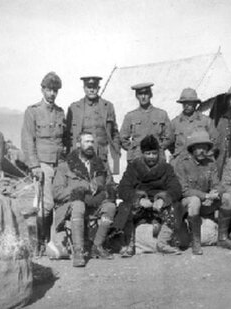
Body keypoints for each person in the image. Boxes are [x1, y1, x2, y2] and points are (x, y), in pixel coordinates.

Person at [53, 132, 117, 267]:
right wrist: (79, 189)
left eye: (92, 142)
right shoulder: (65, 166)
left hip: (94, 203)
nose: (90, 145)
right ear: (78, 145)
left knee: (110, 207)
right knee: (78, 205)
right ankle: (78, 251)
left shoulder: (101, 165)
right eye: (86, 142)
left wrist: (103, 191)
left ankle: (97, 246)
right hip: (70, 206)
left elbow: (110, 185)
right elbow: (57, 193)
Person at [174, 131, 231, 255]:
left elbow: (217, 184)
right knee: (194, 200)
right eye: (198, 147)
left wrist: (214, 193)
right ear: (192, 148)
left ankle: (223, 238)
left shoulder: (210, 162)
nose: (202, 151)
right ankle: (196, 242)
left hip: (207, 202)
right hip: (187, 204)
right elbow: (184, 191)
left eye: (205, 147)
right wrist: (205, 195)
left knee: (226, 197)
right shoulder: (182, 163)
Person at [21, 71, 66, 253]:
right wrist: (34, 166)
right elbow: (27, 140)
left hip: (59, 164)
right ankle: (40, 241)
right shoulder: (33, 111)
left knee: (58, 203)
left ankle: (52, 241)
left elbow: (66, 141)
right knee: (45, 205)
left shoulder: (60, 112)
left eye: (55, 90)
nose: (52, 94)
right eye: (49, 90)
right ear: (42, 90)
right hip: (43, 165)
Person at [115, 134, 183, 256]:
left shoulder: (166, 168)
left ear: (158, 153)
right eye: (148, 153)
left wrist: (163, 199)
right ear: (142, 153)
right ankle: (129, 244)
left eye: (154, 153)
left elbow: (176, 188)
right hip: (141, 205)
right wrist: (139, 199)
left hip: (159, 205)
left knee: (177, 206)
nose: (151, 157)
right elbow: (123, 189)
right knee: (125, 207)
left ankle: (163, 243)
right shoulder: (133, 167)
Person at [64, 76, 121, 173]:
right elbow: (67, 135)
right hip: (80, 157)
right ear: (84, 88)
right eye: (89, 87)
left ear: (99, 88)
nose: (91, 90)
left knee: (103, 185)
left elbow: (115, 134)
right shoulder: (74, 108)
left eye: (94, 87)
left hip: (101, 156)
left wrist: (116, 159)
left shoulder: (108, 106)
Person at [119, 83, 172, 163]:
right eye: (140, 94)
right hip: (137, 158)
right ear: (136, 96)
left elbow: (170, 137)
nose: (143, 97)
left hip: (157, 158)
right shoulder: (130, 116)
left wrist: (159, 147)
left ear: (151, 95)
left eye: (146, 93)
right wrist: (134, 148)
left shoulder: (161, 114)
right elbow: (122, 138)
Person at [169, 88, 217, 166]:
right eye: (184, 103)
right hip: (181, 163)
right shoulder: (175, 123)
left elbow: (215, 140)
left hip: (202, 162)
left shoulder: (206, 121)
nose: (186, 106)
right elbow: (170, 143)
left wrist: (206, 154)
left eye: (189, 103)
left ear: (195, 104)